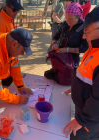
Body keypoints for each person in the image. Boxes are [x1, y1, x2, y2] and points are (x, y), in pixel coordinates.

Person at [63, 5, 99, 139]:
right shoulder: (93, 47)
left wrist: (80, 121)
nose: (84, 37)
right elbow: (86, 74)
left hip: (90, 120)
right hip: (84, 112)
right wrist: (76, 86)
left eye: (87, 31)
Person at [45, 2, 88, 80]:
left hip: (72, 62)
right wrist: (54, 43)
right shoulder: (64, 24)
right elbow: (55, 37)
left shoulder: (82, 28)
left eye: (70, 19)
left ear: (78, 17)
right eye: (66, 18)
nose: (68, 21)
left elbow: (86, 48)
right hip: (60, 59)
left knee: (68, 80)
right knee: (48, 75)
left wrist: (67, 49)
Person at [0, 0, 24, 87]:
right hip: (4, 66)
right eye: (14, 10)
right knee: (6, 91)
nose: (16, 12)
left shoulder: (9, 20)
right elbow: (1, 49)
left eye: (18, 10)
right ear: (6, 7)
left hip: (10, 63)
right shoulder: (0, 23)